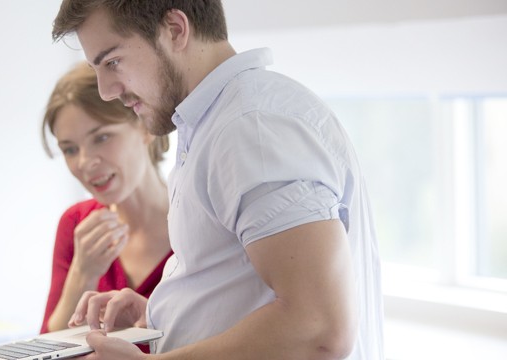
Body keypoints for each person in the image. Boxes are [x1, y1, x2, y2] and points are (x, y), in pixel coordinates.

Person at [52, 1, 384, 359]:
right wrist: (161, 311)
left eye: (112, 61)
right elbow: (248, 290)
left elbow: (317, 329)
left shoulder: (251, 128)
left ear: (176, 30)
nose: (106, 90)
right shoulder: (215, 125)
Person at [39, 61, 173, 348]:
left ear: (145, 127)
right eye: (70, 149)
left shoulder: (198, 218)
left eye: (101, 137)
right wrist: (82, 274)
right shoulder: (76, 223)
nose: (85, 162)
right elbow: (47, 348)